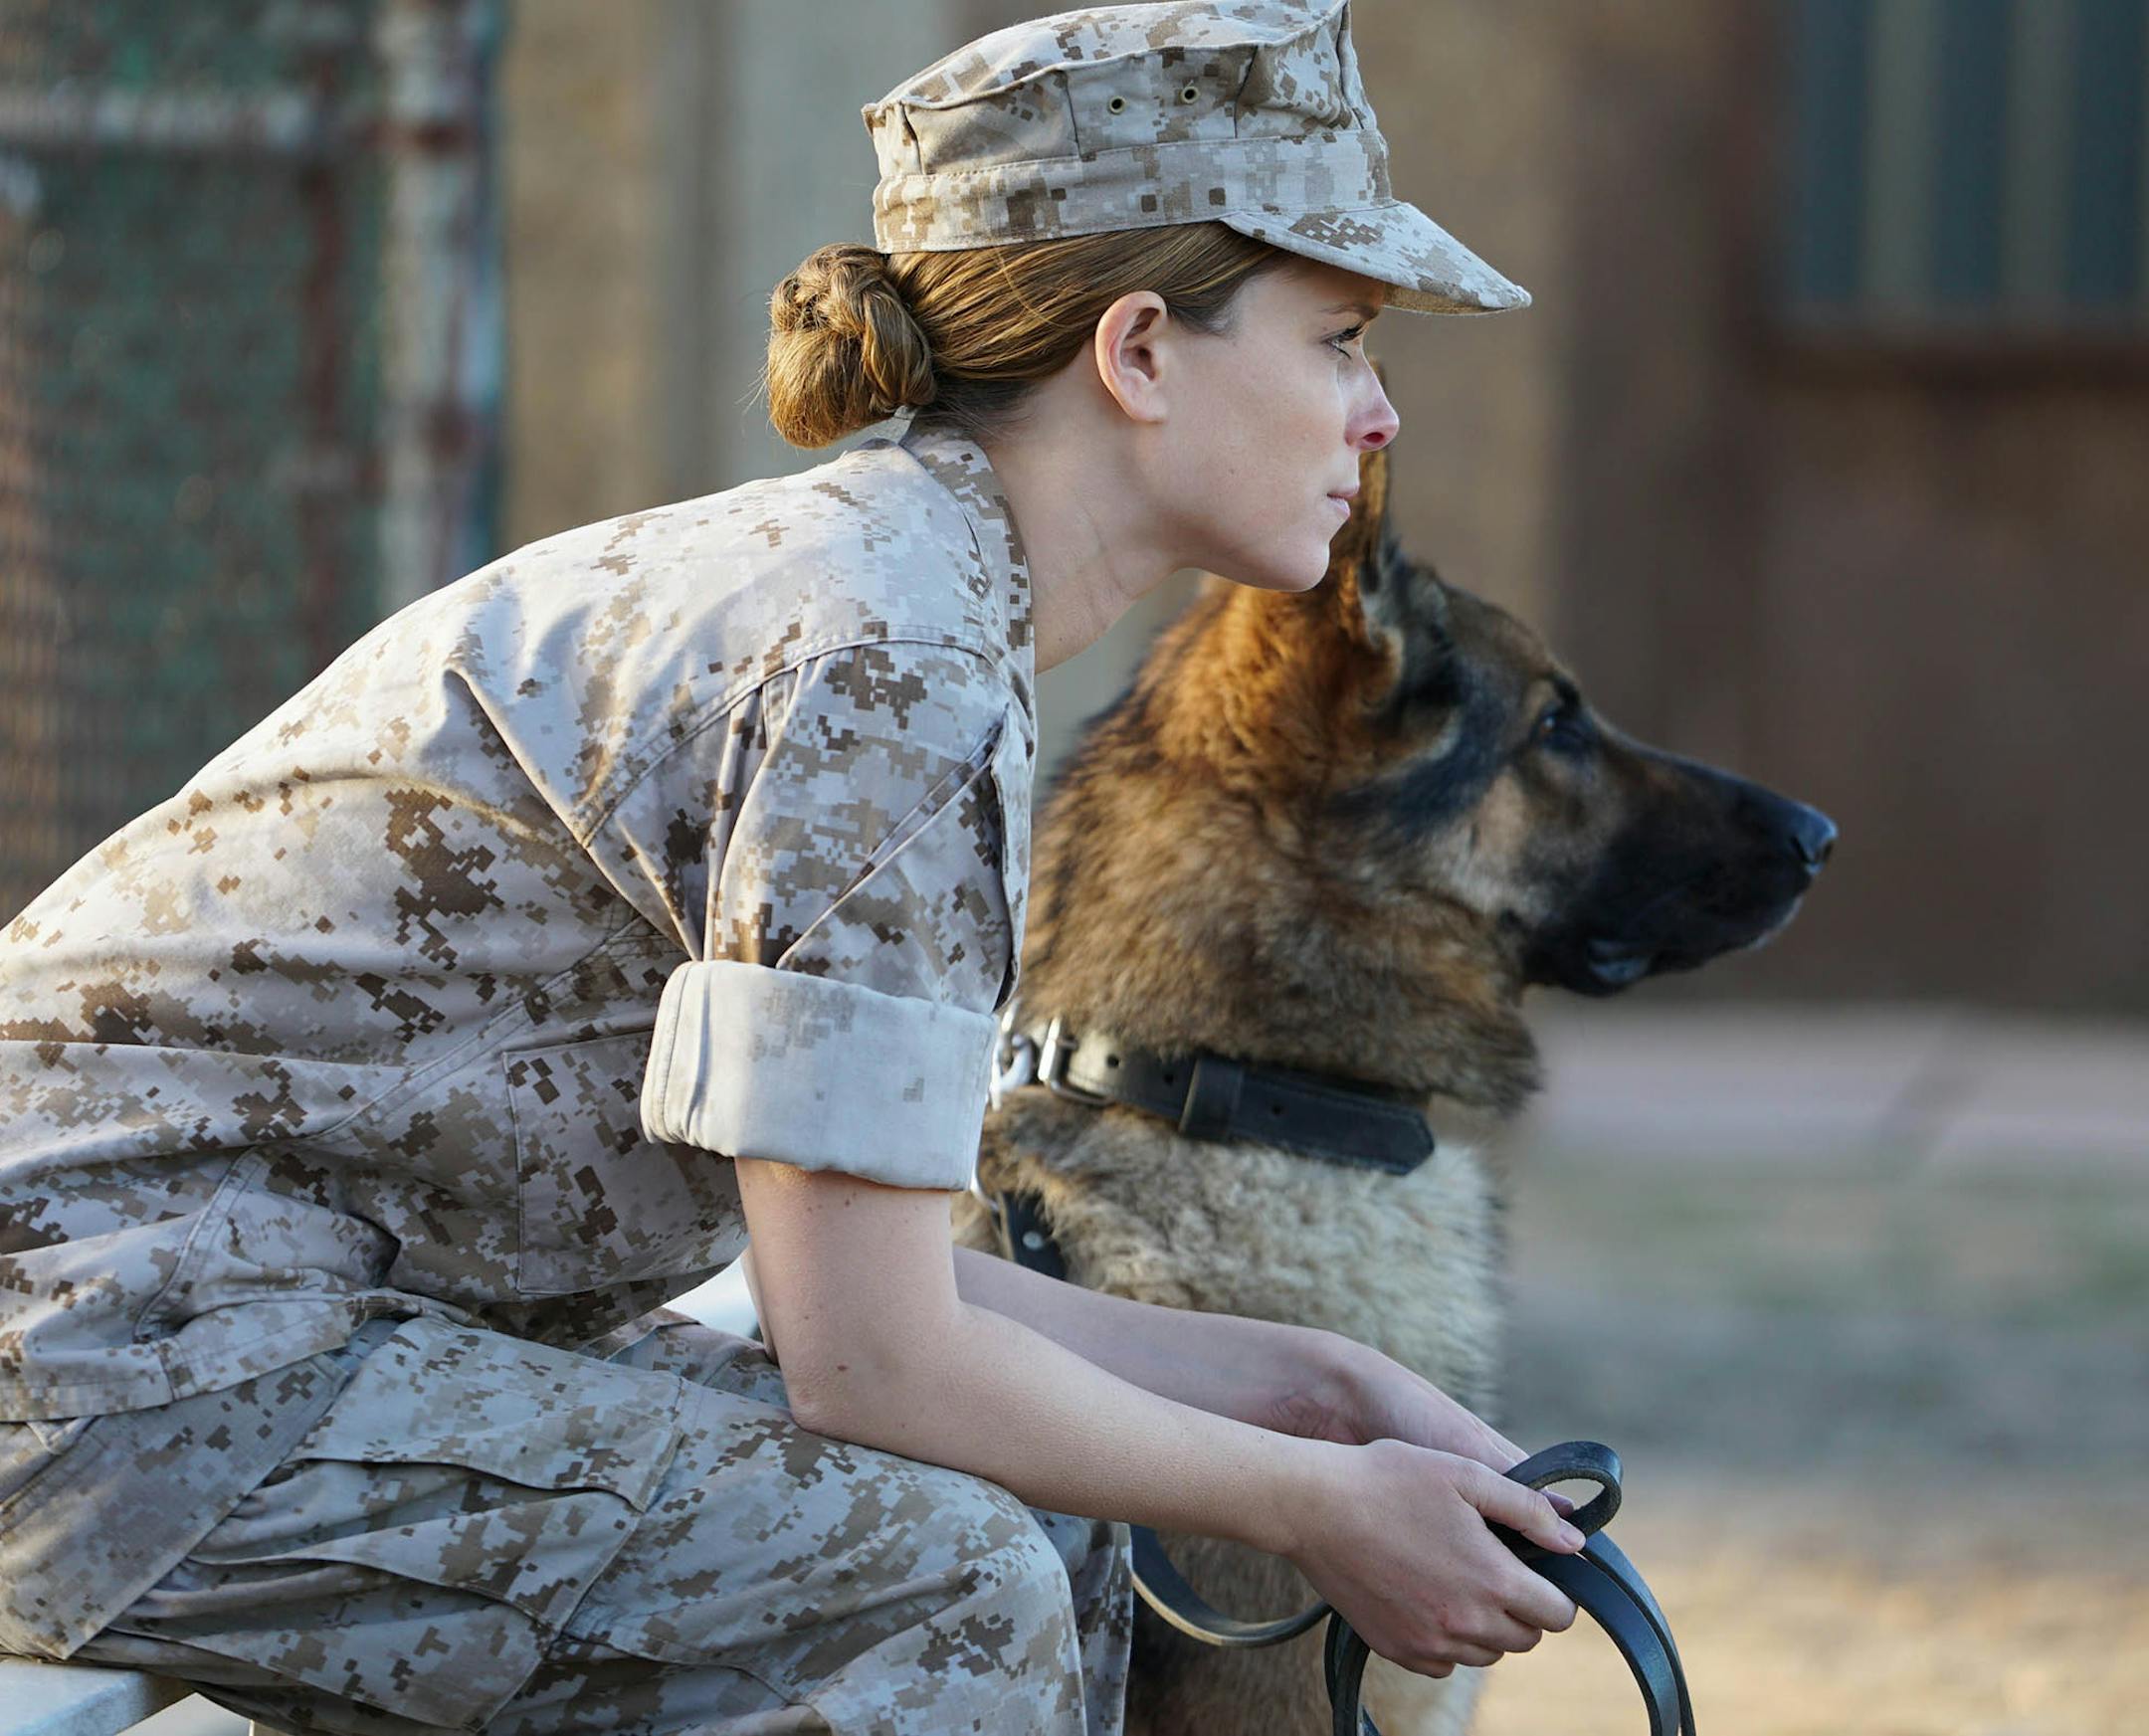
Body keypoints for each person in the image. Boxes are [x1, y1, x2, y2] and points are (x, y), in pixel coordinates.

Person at [0, 4, 1583, 1731]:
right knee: (934, 1585)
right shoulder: (880, 659)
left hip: (229, 1335)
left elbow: (866, 1295)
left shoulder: (902, 595)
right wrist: (1319, 1510)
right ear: (1136, 353)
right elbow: (873, 1366)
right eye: (1341, 337)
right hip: (112, 1374)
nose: (1377, 413)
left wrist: (1328, 1394)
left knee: (1041, 1512)